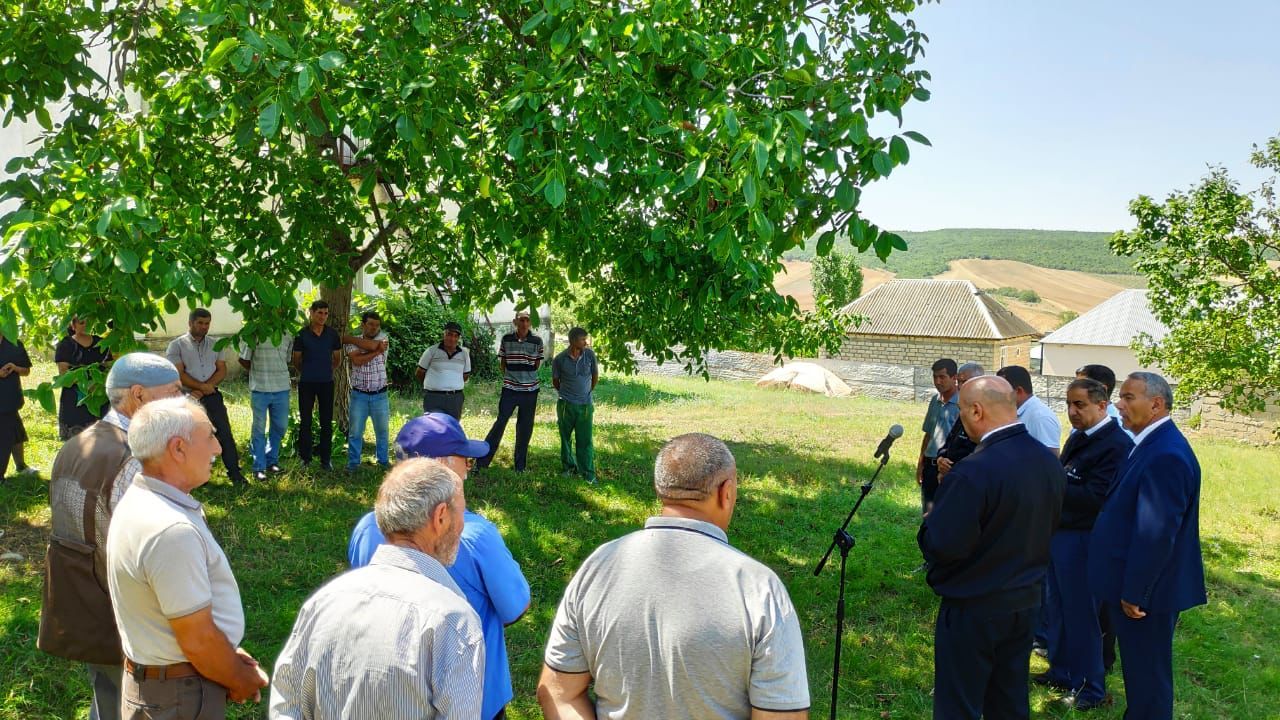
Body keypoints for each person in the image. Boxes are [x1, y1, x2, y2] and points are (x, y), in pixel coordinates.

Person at [538, 433, 810, 720]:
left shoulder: (597, 568)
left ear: (660, 489)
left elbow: (557, 693)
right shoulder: (759, 588)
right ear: (726, 491)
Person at [348, 413, 530, 720]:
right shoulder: (476, 536)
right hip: (473, 698)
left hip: (389, 694)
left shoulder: (368, 528)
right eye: (464, 459)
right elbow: (516, 608)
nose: (469, 467)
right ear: (439, 468)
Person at [271, 458, 485, 719]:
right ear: (440, 517)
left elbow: (286, 705)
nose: (462, 525)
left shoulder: (324, 602)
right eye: (462, 513)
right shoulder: (453, 621)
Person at [38, 353, 183, 720]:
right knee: (138, 704)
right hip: (125, 616)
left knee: (107, 697)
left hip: (82, 602)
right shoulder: (133, 457)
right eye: (174, 392)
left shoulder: (77, 444)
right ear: (139, 396)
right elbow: (147, 551)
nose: (183, 402)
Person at [106, 397, 269, 719]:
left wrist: (226, 654)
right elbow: (197, 640)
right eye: (210, 436)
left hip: (164, 686)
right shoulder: (170, 530)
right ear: (178, 449)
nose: (218, 449)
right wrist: (239, 677)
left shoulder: (141, 499)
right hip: (180, 695)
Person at [917, 376, 1066, 720]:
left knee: (960, 703)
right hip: (1026, 601)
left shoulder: (973, 471)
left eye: (961, 414)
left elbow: (943, 545)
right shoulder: (1048, 463)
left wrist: (933, 518)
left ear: (976, 410)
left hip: (975, 605)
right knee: (1009, 699)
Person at [1088, 372, 1205, 720]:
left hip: (1147, 595)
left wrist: (1136, 591)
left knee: (1147, 678)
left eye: (1127, 398)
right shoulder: (1149, 443)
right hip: (1139, 586)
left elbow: (1156, 532)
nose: (1118, 405)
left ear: (1155, 404)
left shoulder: (1165, 454)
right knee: (1140, 674)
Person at [1035, 378, 1133, 710]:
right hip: (1060, 533)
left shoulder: (1115, 444)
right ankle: (1061, 669)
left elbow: (1096, 497)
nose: (1072, 412)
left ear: (1102, 405)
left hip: (1085, 539)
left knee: (1081, 615)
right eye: (1069, 404)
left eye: (1080, 405)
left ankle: (1089, 688)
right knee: (1057, 608)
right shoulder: (1079, 436)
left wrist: (1053, 482)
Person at [166, 308, 247, 486]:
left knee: (224, 433)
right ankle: (195, 477)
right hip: (187, 397)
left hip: (211, 395)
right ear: (190, 323)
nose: (204, 327)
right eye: (200, 323)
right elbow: (178, 374)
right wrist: (200, 387)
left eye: (207, 323)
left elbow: (222, 369)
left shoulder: (215, 344)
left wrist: (204, 389)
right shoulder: (177, 345)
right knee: (191, 437)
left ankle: (235, 474)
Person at [477, 310, 544, 473]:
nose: (524, 323)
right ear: (515, 322)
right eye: (521, 320)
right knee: (500, 423)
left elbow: (537, 364)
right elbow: (503, 362)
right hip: (510, 389)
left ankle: (520, 466)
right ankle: (482, 462)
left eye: (527, 320)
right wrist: (511, 377)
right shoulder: (507, 339)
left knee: (525, 427)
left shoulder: (537, 341)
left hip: (530, 390)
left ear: (530, 323)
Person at [292, 300, 342, 471]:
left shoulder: (332, 335)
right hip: (307, 383)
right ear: (311, 313)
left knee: (326, 422)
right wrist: (307, 371)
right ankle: (305, 459)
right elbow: (296, 360)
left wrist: (326, 371)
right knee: (305, 421)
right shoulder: (302, 334)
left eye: (326, 313)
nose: (323, 316)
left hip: (326, 383)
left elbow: (337, 359)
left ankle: (325, 460)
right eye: (319, 313)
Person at [239, 330, 294, 482]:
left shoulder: (288, 333)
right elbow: (243, 359)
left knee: (280, 427)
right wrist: (259, 372)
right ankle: (259, 467)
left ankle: (272, 461)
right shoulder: (254, 332)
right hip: (260, 389)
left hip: (282, 388)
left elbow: (287, 359)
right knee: (259, 429)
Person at [552, 327, 599, 483]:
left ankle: (587, 473)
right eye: (582, 339)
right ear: (573, 341)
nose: (586, 342)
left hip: (585, 405)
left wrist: (584, 393)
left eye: (586, 339)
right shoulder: (559, 359)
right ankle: (568, 468)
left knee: (585, 440)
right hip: (565, 405)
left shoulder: (590, 355)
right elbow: (555, 381)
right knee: (565, 438)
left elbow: (595, 377)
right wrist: (568, 395)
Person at [345, 311, 390, 471]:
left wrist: (349, 338)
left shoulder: (383, 338)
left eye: (377, 325)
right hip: (359, 395)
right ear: (362, 324)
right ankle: (353, 464)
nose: (374, 328)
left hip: (380, 395)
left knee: (383, 432)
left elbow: (373, 346)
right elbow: (357, 361)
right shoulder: (353, 343)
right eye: (370, 324)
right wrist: (376, 352)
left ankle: (383, 462)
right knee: (355, 432)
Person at [54, 316, 113, 440]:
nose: (85, 325)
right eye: (81, 323)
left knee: (100, 441)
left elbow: (109, 368)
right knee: (76, 443)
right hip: (74, 400)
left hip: (99, 398)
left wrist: (98, 384)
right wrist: (86, 385)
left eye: (89, 322)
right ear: (73, 325)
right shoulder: (65, 345)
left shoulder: (101, 343)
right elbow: (64, 375)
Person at [916, 358, 958, 513]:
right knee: (928, 512)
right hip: (930, 466)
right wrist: (921, 463)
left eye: (942, 377)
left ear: (954, 378)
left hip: (950, 467)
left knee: (947, 513)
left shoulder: (963, 403)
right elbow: (928, 434)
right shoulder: (935, 400)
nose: (938, 381)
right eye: (935, 377)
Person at [996, 365, 1061, 455]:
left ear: (1019, 390)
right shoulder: (1016, 412)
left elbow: (1050, 459)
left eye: (1001, 391)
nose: (998, 396)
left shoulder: (1040, 417)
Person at [935, 362, 984, 480]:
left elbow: (980, 452)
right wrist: (941, 458)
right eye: (959, 382)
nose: (960, 386)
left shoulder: (985, 412)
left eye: (965, 382)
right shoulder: (965, 408)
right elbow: (950, 440)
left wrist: (954, 468)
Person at [417, 320, 471, 419]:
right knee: (433, 428)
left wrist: (452, 384)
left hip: (455, 398)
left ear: (458, 338)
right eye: (449, 334)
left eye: (456, 336)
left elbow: (465, 376)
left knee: (452, 428)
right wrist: (434, 385)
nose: (452, 338)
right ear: (444, 334)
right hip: (433, 398)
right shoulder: (431, 351)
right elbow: (420, 373)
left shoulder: (464, 354)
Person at [0, 330, 33, 480]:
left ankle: (20, 466)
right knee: (8, 434)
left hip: (10, 398)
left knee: (15, 431)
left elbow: (26, 371)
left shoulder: (14, 343)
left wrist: (14, 367)